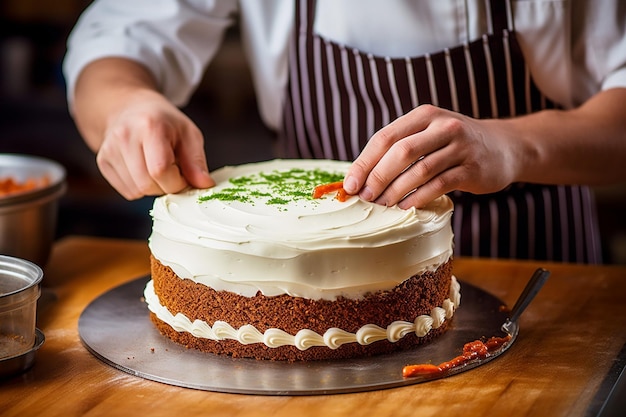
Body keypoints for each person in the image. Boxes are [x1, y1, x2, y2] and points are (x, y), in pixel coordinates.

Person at [63, 0, 626, 264]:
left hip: (540, 275)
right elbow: (116, 44)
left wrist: (512, 145)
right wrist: (126, 103)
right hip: (301, 263)